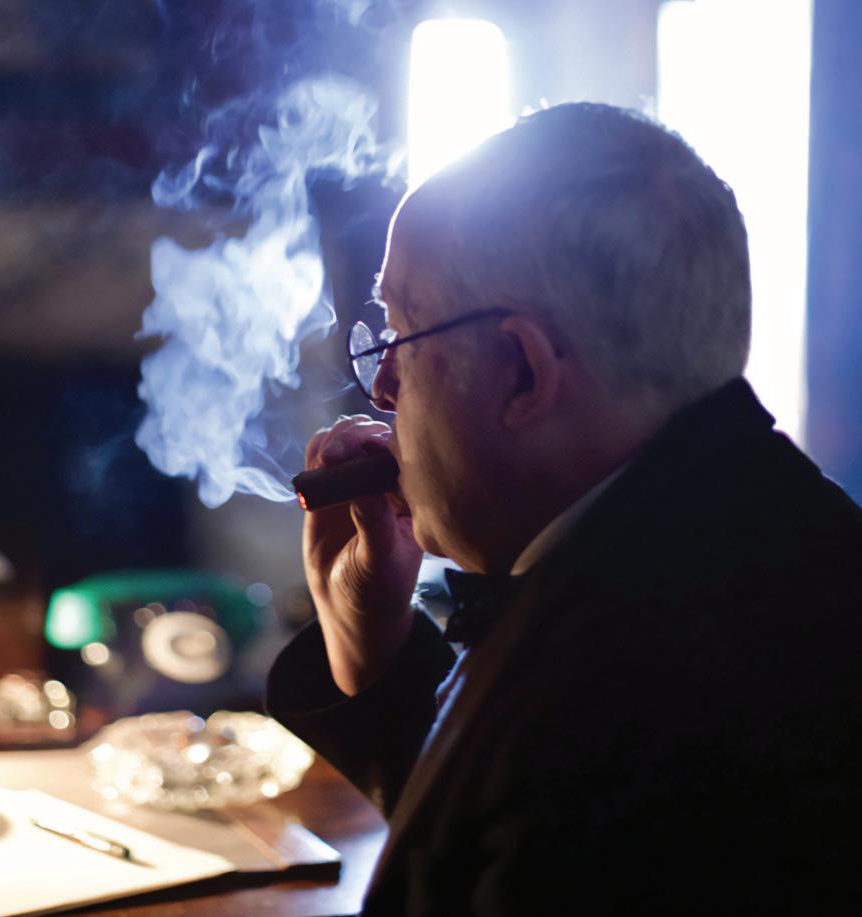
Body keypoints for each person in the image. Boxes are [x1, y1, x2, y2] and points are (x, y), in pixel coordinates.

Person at [266, 102, 862, 914]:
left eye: (400, 334)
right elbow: (491, 844)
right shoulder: (763, 533)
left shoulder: (638, 698)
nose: (382, 388)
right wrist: (369, 645)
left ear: (521, 369)